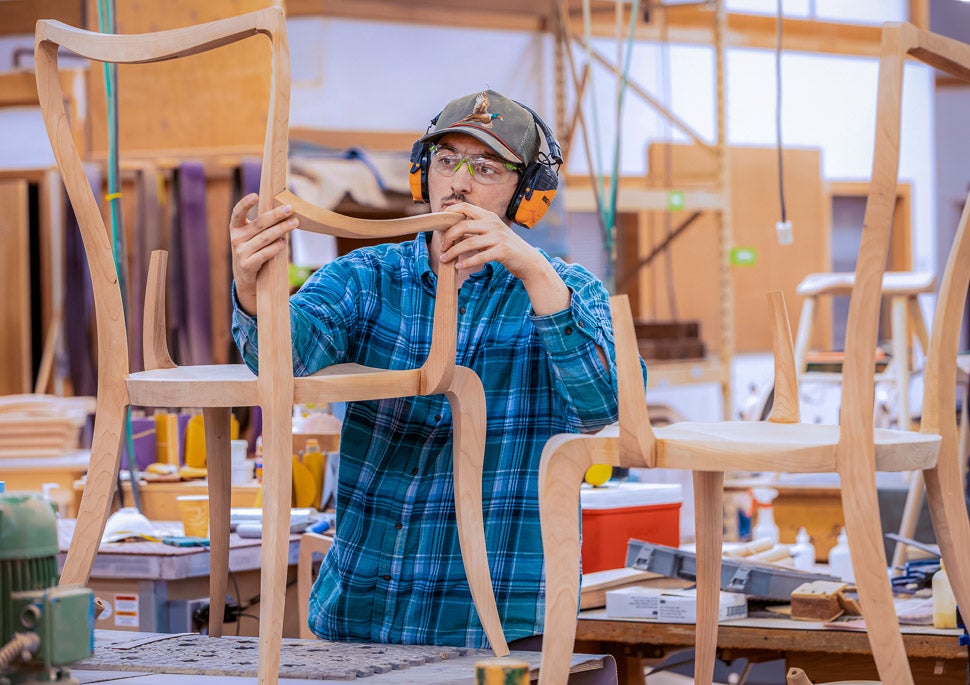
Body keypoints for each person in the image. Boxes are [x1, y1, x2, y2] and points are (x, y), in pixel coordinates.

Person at [229, 89, 624, 649]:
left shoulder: (566, 290)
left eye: (486, 167)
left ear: (527, 193)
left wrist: (536, 276)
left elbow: (605, 406)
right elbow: (282, 359)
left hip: (495, 625)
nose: (460, 182)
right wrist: (254, 291)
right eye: (447, 161)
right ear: (423, 172)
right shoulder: (367, 277)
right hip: (360, 618)